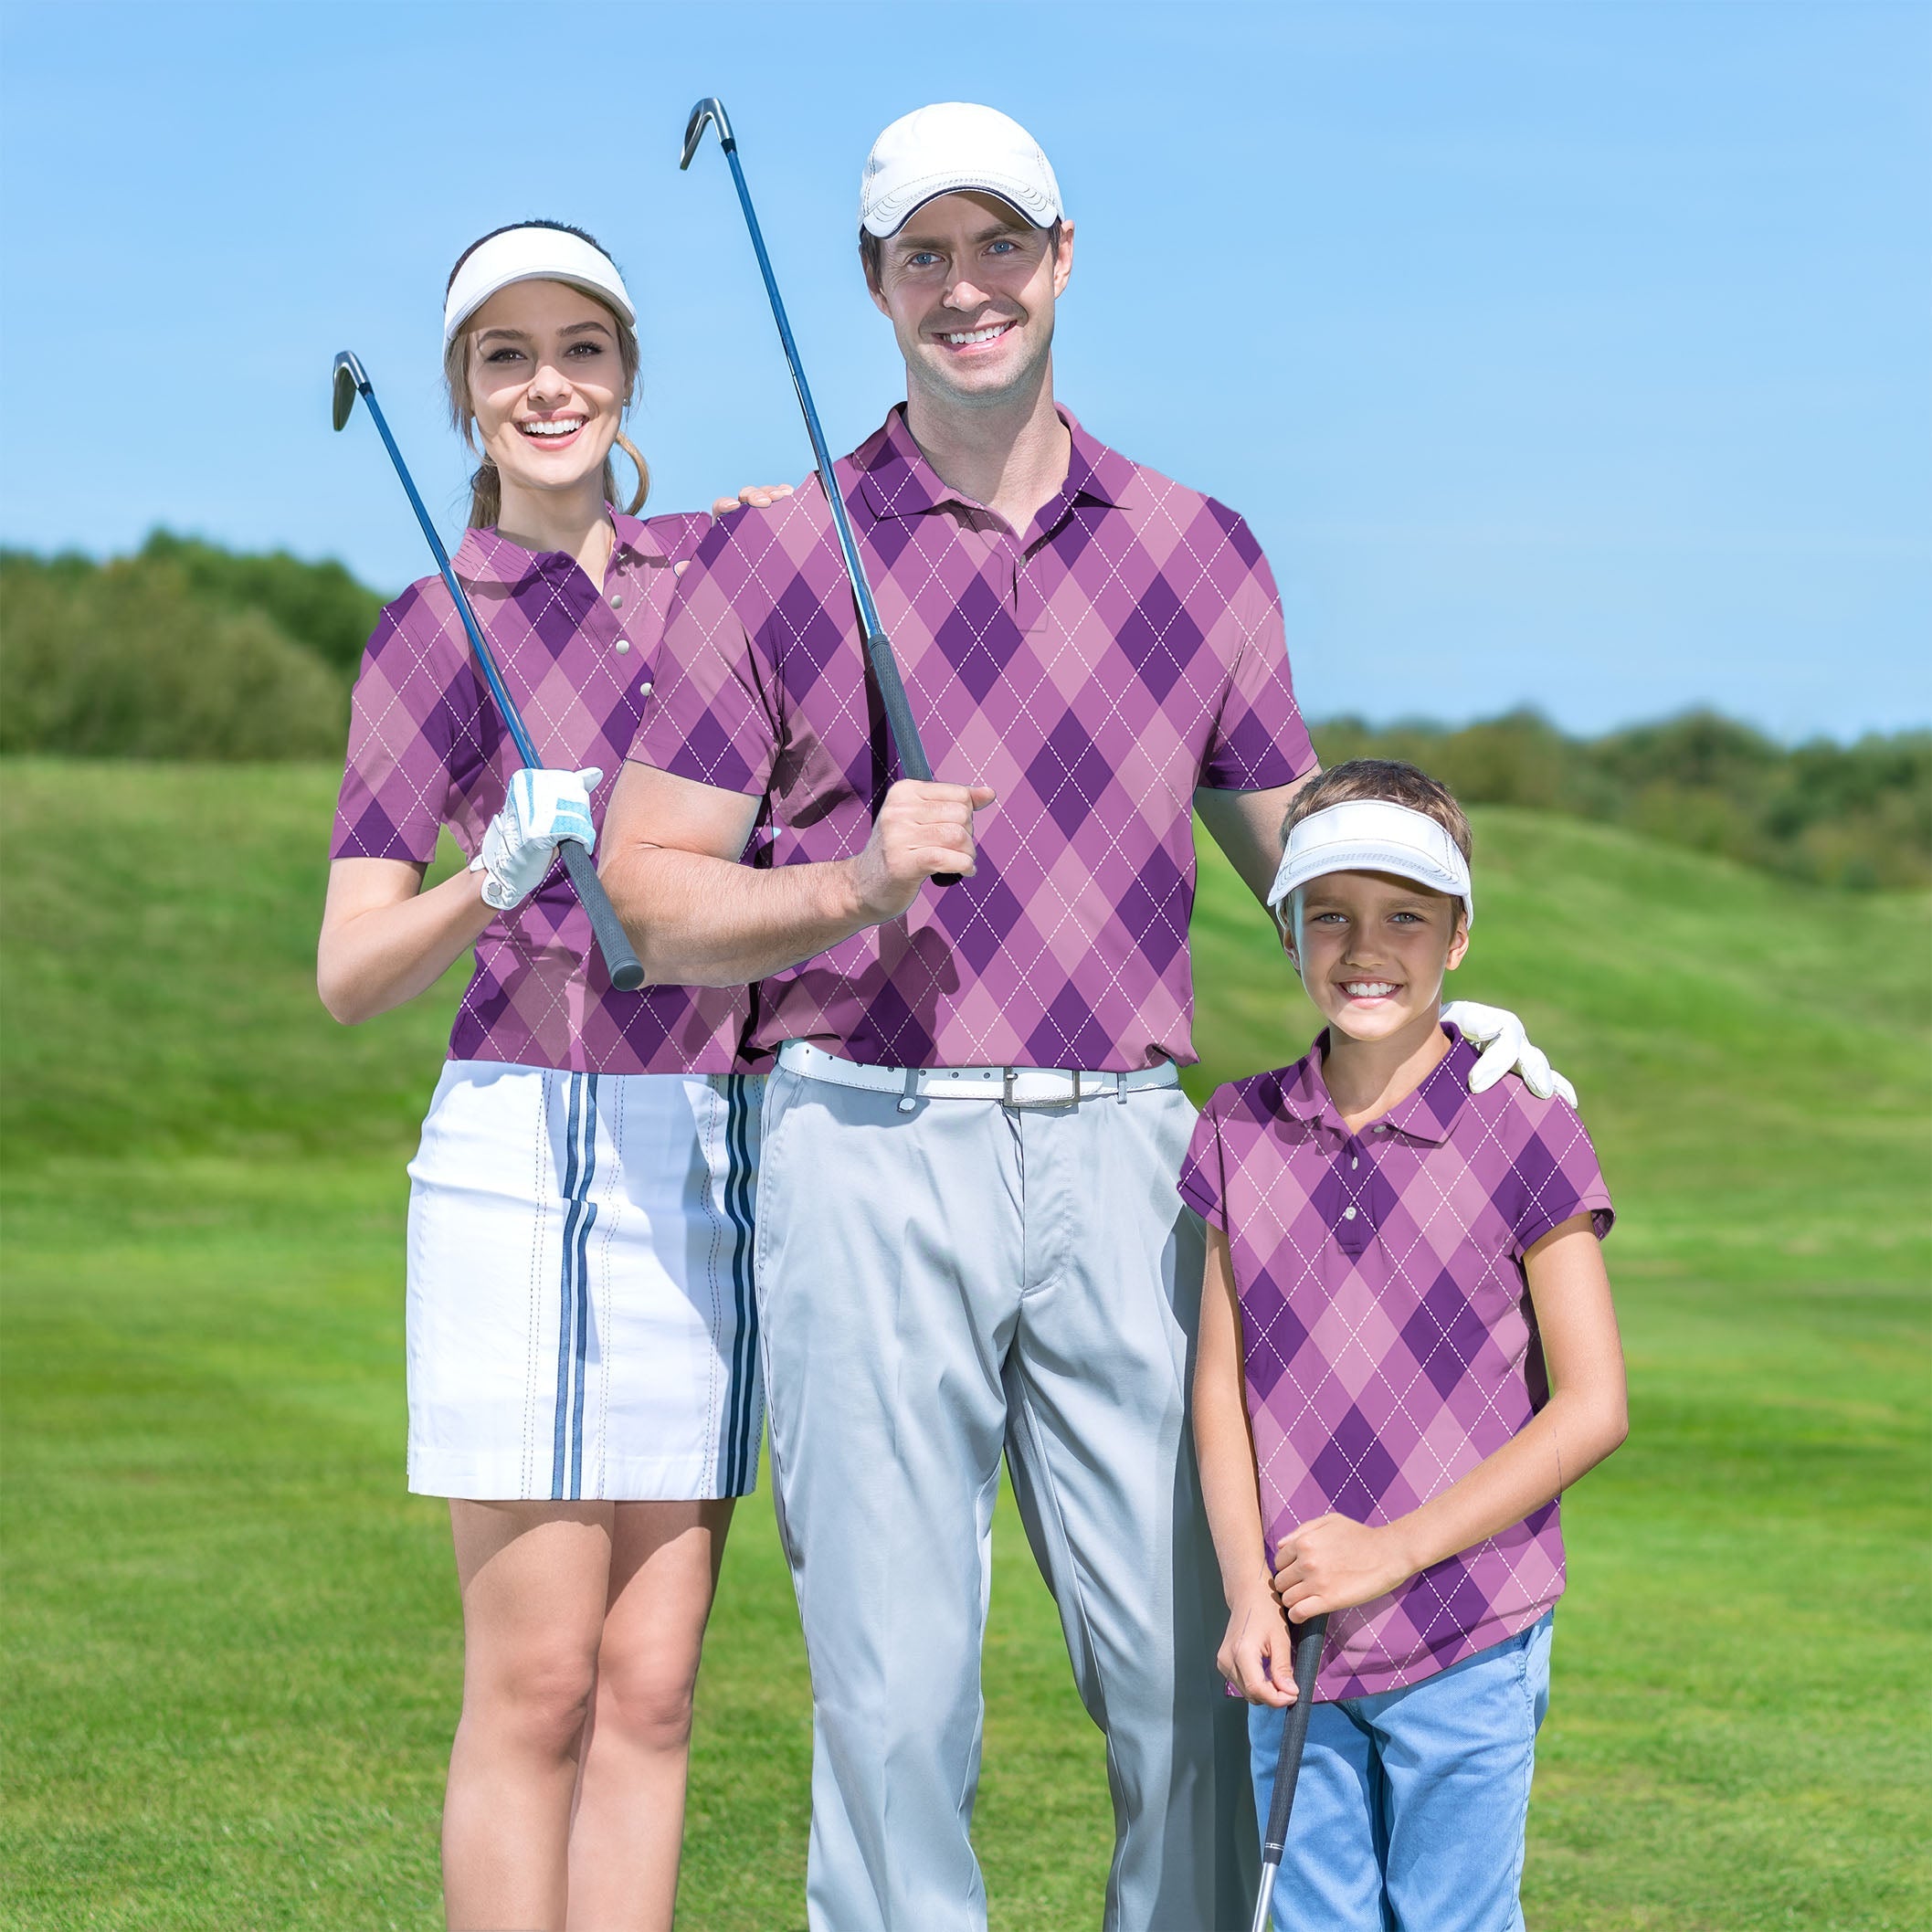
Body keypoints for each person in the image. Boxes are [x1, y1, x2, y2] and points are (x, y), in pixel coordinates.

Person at [599, 106, 1564, 1931]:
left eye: (999, 246)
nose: (967, 288)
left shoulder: (1201, 552)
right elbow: (647, 890)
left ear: (1061, 257)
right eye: (923, 256)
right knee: (894, 1702)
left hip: (1132, 1158)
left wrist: (1445, 983)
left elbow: (1304, 860)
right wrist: (839, 889)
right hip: (860, 1138)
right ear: (875, 285)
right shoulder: (781, 552)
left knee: (1198, 1672)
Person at [317, 220, 787, 1932]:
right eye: (506, 356)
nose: (548, 385)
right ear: (463, 394)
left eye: (579, 349)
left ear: (626, 375)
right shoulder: (424, 631)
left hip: (700, 1153)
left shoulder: (722, 589)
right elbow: (349, 970)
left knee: (654, 1685)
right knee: (538, 1686)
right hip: (518, 1148)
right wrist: (487, 878)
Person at [1184, 759, 1629, 1931]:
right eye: (1328, 913)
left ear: (1458, 939)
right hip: (1297, 1632)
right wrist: (1245, 1594)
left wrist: (1393, 1552)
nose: (1363, 946)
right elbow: (1220, 1393)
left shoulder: (1526, 1123)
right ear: (1286, 928)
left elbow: (1593, 1405)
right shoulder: (1238, 1126)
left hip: (1470, 1626)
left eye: (1404, 917)